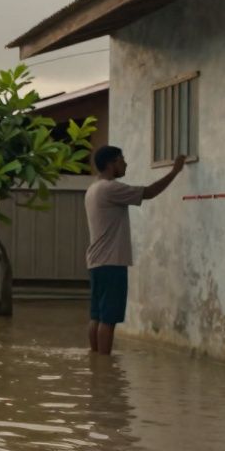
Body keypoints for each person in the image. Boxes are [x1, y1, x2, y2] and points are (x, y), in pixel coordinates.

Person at [85, 146, 186, 355]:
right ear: (111, 164)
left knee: (97, 316)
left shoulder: (93, 189)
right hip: (111, 262)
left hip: (97, 262)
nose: (126, 164)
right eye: (122, 160)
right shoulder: (110, 188)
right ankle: (104, 365)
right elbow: (148, 192)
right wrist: (175, 171)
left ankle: (95, 362)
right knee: (108, 319)